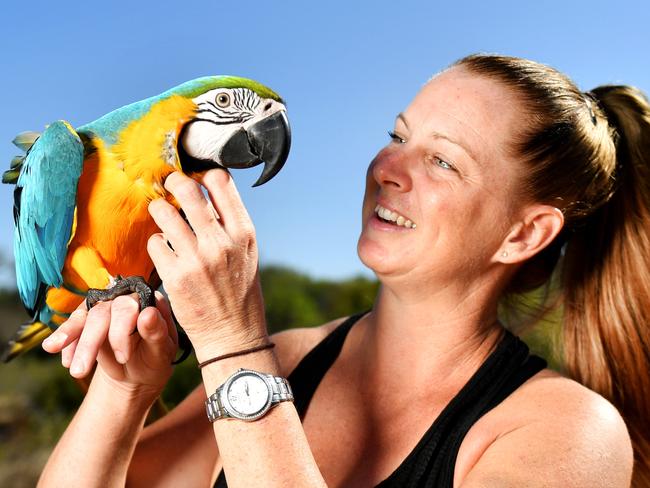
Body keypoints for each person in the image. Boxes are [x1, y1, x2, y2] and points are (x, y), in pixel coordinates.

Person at [37, 54, 649, 487]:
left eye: (441, 160)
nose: (386, 167)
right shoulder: (288, 359)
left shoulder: (570, 433)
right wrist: (123, 393)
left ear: (523, 234)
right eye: (397, 135)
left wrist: (231, 346)